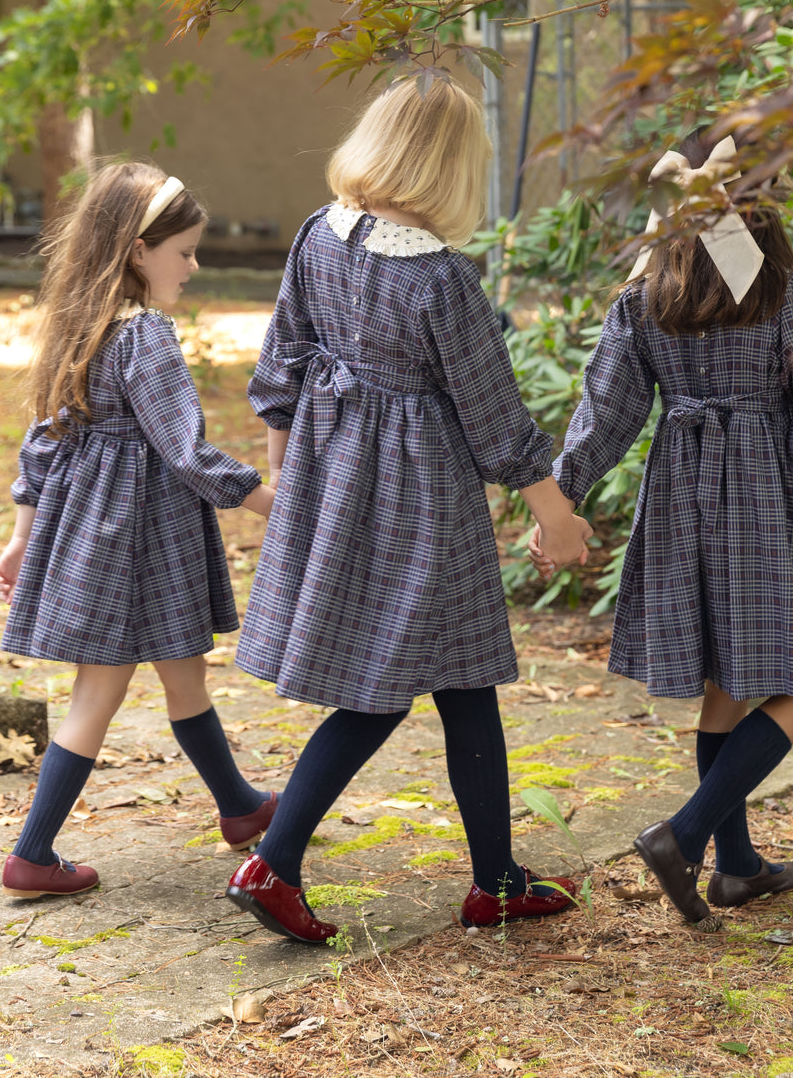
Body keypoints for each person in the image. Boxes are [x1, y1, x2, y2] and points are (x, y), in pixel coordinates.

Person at [226, 76, 593, 943]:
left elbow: (280, 367)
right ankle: (273, 863)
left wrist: (291, 489)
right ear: (451, 164)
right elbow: (494, 413)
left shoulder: (321, 234)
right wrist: (555, 513)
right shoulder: (440, 279)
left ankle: (497, 882)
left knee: (467, 680)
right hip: (420, 503)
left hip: (336, 479)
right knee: (381, 687)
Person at [531, 132, 793, 924]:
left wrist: (561, 499)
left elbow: (606, 414)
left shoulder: (644, 296)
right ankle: (682, 837)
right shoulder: (787, 295)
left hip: (680, 493)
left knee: (725, 686)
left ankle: (738, 867)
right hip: (759, 498)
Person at [0, 163, 278, 900]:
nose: (194, 264)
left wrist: (24, 534)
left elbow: (42, 441)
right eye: (182, 250)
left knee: (183, 670)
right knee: (99, 694)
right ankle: (32, 853)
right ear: (135, 251)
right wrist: (271, 501)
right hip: (139, 535)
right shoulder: (146, 334)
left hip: (97, 526)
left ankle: (240, 806)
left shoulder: (80, 326)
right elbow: (185, 450)